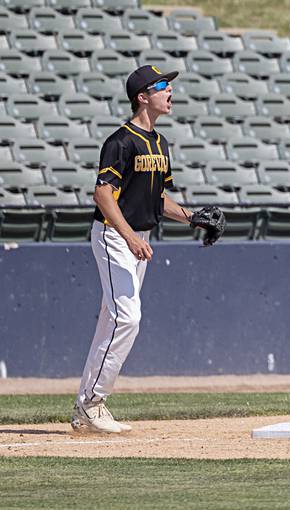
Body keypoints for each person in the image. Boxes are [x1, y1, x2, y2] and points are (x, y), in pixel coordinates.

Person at [71, 65, 226, 434]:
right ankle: (92, 404)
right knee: (128, 318)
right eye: (162, 86)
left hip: (137, 238)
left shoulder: (160, 144)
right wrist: (129, 237)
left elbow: (157, 198)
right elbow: (102, 194)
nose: (170, 91)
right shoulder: (121, 141)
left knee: (112, 320)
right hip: (113, 236)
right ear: (143, 96)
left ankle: (86, 407)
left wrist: (192, 217)